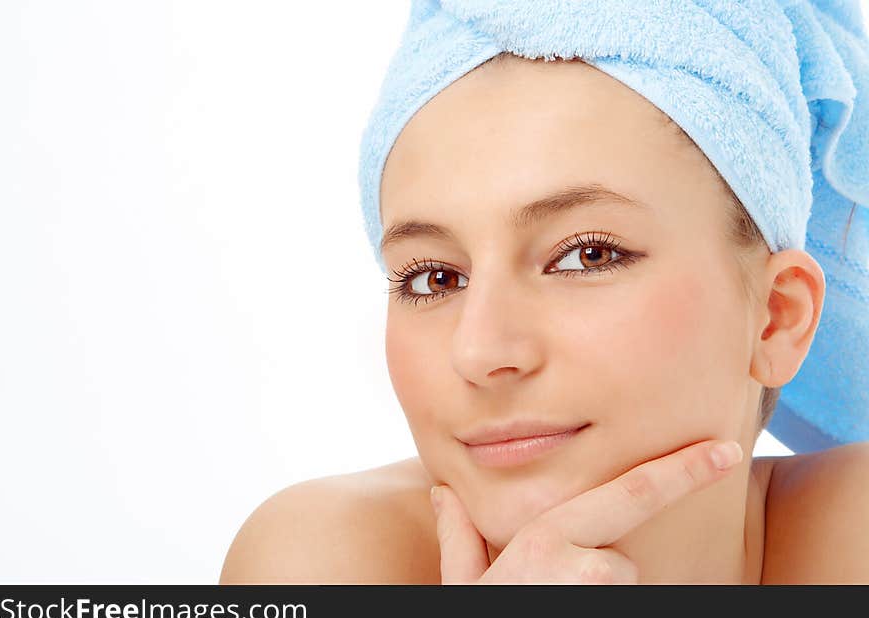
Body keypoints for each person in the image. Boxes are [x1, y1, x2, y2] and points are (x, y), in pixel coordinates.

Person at [220, 3, 869, 584]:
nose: (480, 350)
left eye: (587, 255)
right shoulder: (322, 566)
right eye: (434, 277)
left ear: (775, 318)